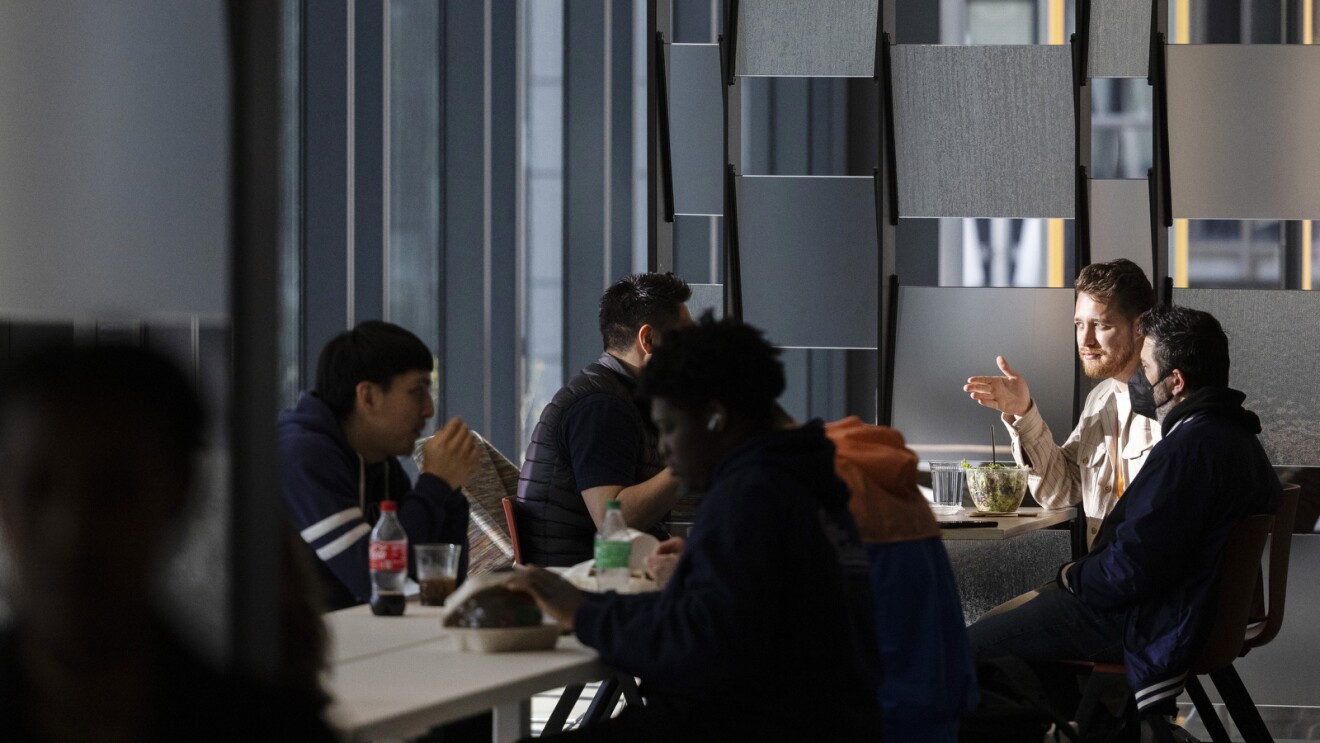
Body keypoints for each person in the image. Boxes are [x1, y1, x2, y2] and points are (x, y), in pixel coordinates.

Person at [507, 315, 884, 741]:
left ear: (715, 418)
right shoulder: (807, 481)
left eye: (669, 428)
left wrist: (582, 611)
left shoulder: (752, 494)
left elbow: (699, 645)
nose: (664, 448)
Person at [0, 345, 336, 742]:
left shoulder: (270, 728)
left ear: (180, 490)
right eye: (37, 488)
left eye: (113, 492)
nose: (72, 533)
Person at [966, 305, 1282, 723]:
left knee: (961, 651)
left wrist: (1071, 577)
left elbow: (1132, 570)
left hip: (1139, 618)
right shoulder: (1235, 436)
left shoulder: (1188, 450)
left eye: (1146, 366)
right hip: (1189, 615)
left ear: (1176, 382)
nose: (1139, 378)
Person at [279, 321, 479, 609]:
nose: (429, 409)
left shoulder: (379, 461)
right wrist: (437, 483)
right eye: (417, 391)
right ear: (369, 397)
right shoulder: (302, 456)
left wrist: (449, 492)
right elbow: (374, 580)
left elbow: (432, 582)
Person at [964, 258, 1161, 546]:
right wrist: (1024, 412)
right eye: (1080, 325)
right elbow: (1059, 492)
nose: (1086, 340)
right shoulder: (1099, 399)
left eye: (1101, 325)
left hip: (1136, 583)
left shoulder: (1169, 403)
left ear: (1140, 325)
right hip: (1098, 578)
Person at [517, 272, 691, 567]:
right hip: (580, 585)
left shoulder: (621, 395)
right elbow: (613, 520)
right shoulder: (601, 405)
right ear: (648, 339)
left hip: (609, 575)